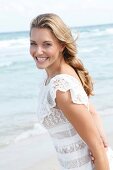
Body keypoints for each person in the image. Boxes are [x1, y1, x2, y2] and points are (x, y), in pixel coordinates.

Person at [29, 13, 110, 170]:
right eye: (33, 43)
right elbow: (91, 112)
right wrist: (102, 138)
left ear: (61, 45)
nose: (38, 51)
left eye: (46, 44)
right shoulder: (60, 74)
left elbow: (97, 150)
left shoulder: (61, 88)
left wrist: (101, 144)